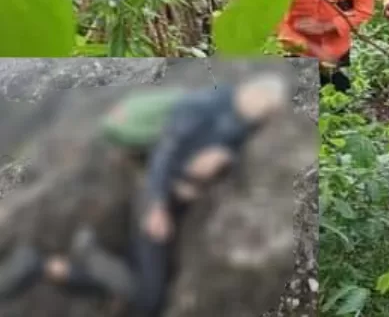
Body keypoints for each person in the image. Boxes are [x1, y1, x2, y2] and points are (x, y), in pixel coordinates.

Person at [0, 72, 293, 317]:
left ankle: (60, 264)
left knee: (136, 281)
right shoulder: (203, 106)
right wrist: (157, 206)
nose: (263, 116)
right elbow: (164, 156)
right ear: (252, 94)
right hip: (153, 203)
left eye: (268, 113)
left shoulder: (238, 123)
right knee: (148, 298)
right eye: (265, 107)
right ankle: (75, 258)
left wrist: (208, 170)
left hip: (172, 204)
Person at [278, 0, 374, 93]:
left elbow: (364, 10)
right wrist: (308, 46)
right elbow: (276, 18)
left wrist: (328, 26)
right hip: (300, 53)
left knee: (338, 103)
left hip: (338, 51)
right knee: (301, 104)